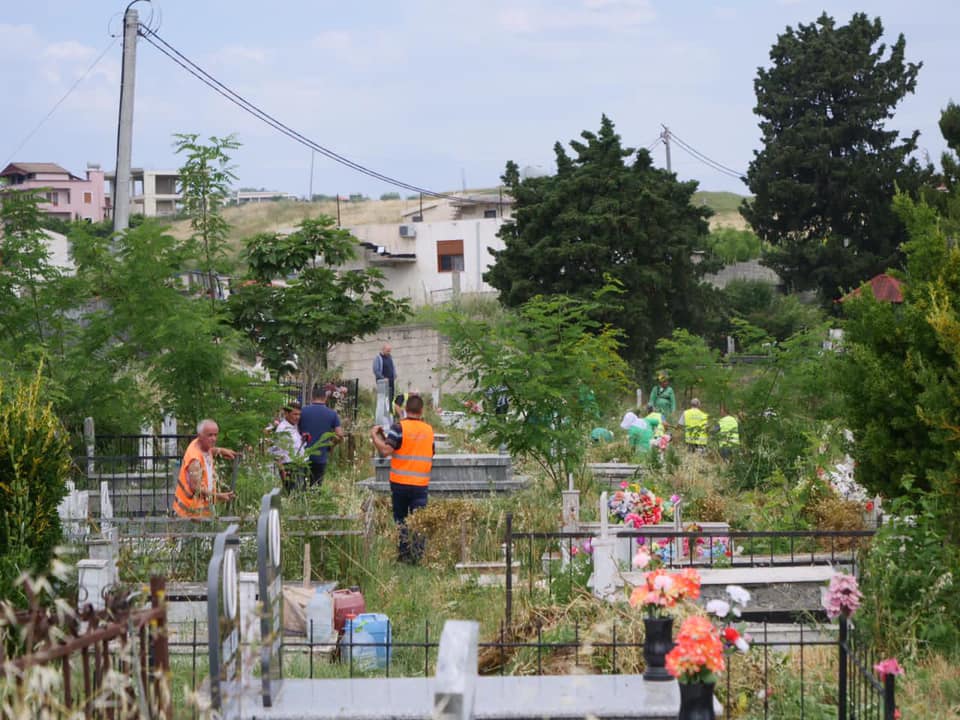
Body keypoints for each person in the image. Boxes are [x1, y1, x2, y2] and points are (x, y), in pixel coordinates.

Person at [370, 394, 435, 563]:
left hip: (399, 483)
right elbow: (430, 452)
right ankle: (418, 556)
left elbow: (386, 451)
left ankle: (404, 555)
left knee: (401, 520)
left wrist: (375, 437)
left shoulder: (398, 428)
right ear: (422, 410)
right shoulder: (429, 430)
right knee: (419, 521)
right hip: (420, 484)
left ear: (406, 410)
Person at [173, 419, 237, 519]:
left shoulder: (200, 444)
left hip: (200, 510)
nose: (214, 438)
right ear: (200, 436)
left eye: (215, 435)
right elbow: (196, 488)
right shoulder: (194, 460)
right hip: (190, 512)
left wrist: (221, 451)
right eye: (210, 435)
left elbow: (208, 449)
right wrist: (219, 496)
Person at [299, 384, 345, 487]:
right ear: (325, 398)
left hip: (301, 454)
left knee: (300, 485)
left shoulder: (302, 411)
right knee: (316, 486)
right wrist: (331, 445)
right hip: (320, 455)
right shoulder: (332, 414)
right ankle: (314, 502)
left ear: (312, 397)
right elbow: (340, 435)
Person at [268, 401, 307, 490]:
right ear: (286, 414)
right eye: (295, 414)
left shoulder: (294, 426)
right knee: (296, 495)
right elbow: (278, 453)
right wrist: (283, 472)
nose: (298, 417)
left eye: (299, 414)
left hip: (299, 465)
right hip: (290, 467)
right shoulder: (283, 430)